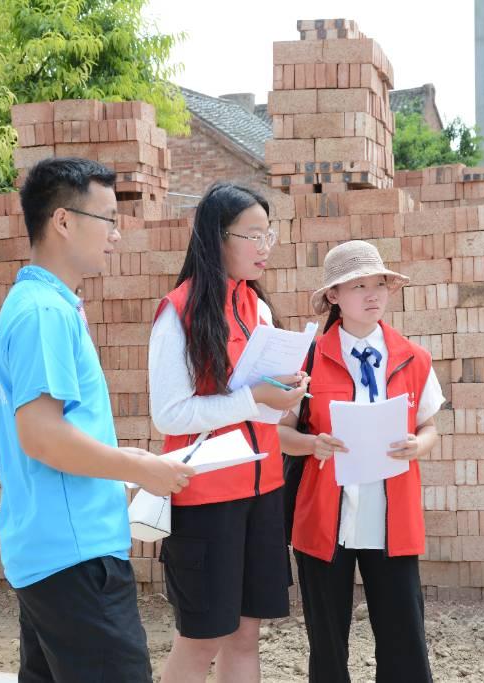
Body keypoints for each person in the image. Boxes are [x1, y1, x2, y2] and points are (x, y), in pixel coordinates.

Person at [0, 157, 195, 683]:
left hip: (51, 552)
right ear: (62, 221)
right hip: (76, 557)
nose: (116, 236)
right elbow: (41, 434)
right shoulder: (44, 313)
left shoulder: (38, 303)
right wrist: (141, 467)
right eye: (107, 220)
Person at [148, 182, 309, 683]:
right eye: (253, 235)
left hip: (263, 490)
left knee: (246, 635)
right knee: (201, 641)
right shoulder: (178, 312)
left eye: (270, 234)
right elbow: (170, 416)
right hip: (206, 497)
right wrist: (255, 398)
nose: (265, 247)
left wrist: (283, 395)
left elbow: (255, 411)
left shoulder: (256, 307)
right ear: (218, 238)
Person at [278, 240, 444, 683]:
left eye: (379, 285)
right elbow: (278, 432)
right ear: (334, 296)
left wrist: (418, 445)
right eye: (358, 286)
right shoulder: (307, 358)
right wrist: (313, 445)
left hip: (392, 514)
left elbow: (430, 427)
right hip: (325, 515)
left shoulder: (414, 358)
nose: (373, 295)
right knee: (327, 640)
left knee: (404, 635)